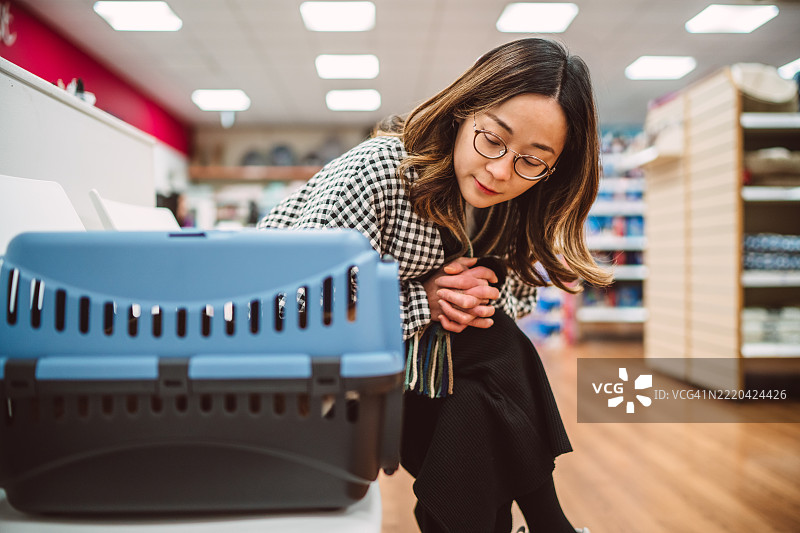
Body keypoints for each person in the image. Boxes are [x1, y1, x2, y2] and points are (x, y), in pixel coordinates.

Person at [259, 37, 610, 533]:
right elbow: (289, 307)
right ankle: (551, 525)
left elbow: (519, 299)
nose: (501, 170)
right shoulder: (382, 169)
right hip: (285, 364)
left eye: (532, 161)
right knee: (491, 347)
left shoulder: (516, 204)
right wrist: (423, 301)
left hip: (409, 374)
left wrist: (471, 296)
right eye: (493, 139)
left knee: (476, 403)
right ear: (464, 110)